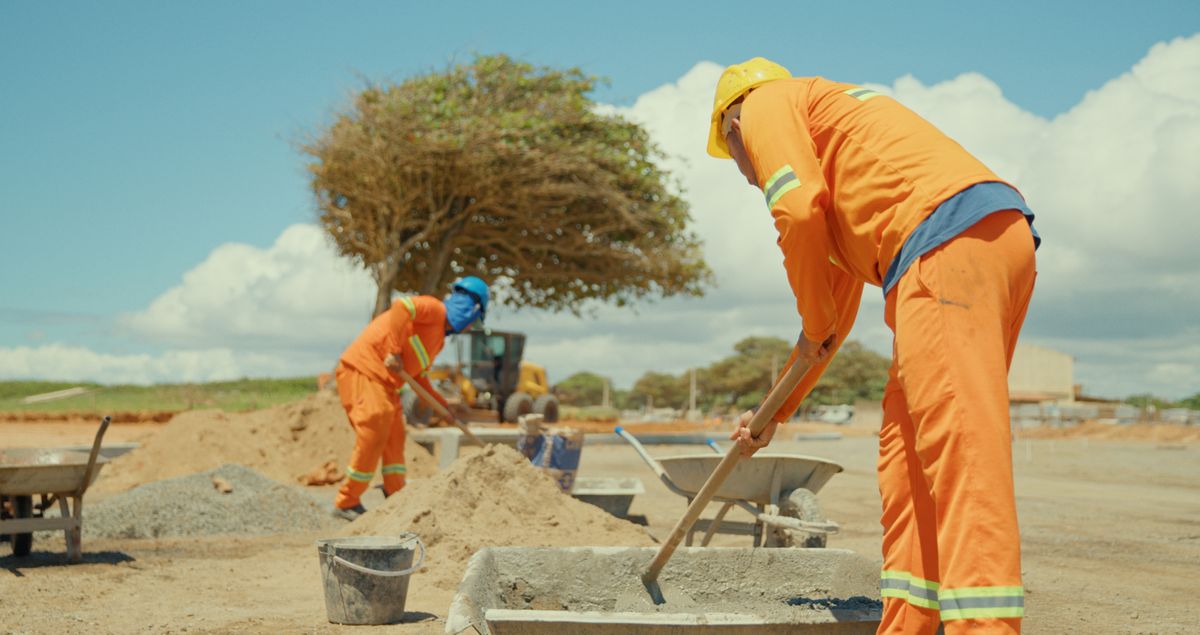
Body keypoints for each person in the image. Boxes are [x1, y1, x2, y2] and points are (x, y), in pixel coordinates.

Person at [713, 58, 1039, 634]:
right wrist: (773, 414)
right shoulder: (838, 170)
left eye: (734, 157)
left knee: (962, 449)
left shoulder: (763, 102)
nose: (745, 176)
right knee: (906, 452)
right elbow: (826, 330)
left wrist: (814, 320)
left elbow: (795, 209)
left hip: (943, 245)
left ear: (733, 127)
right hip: (978, 241)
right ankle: (909, 623)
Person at [332, 276, 490, 520]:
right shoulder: (435, 309)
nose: (470, 328)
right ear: (470, 311)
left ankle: (395, 494)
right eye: (474, 322)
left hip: (387, 385)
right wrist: (394, 350)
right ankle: (346, 502)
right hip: (364, 370)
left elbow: (419, 377)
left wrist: (442, 407)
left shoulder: (437, 341)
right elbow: (402, 306)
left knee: (395, 437)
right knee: (376, 426)